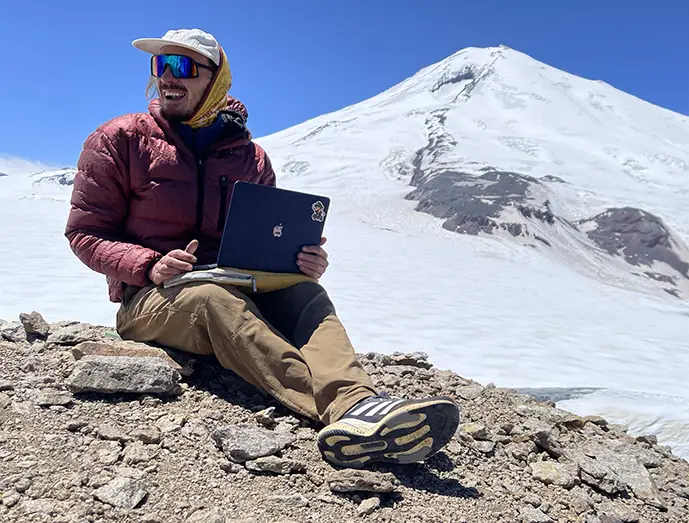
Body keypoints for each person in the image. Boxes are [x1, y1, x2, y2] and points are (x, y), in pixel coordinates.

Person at [64, 28, 459, 468]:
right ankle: (342, 414)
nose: (167, 78)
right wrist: (150, 264)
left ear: (216, 80)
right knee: (211, 299)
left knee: (305, 294)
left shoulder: (249, 157)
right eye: (159, 66)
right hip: (151, 299)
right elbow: (85, 233)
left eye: (181, 67)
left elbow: (263, 233)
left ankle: (356, 399)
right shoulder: (121, 139)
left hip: (234, 282)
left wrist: (297, 259)